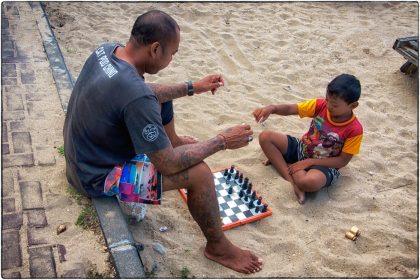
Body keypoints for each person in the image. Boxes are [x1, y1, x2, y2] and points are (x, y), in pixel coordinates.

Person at [63, 10, 263, 274]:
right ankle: (218, 247)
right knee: (200, 174)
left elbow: (146, 93)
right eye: (172, 53)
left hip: (82, 157)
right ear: (155, 49)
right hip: (98, 179)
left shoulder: (109, 51)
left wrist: (192, 87)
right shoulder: (136, 95)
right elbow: (167, 165)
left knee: (162, 99)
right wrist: (223, 140)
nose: (171, 59)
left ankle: (174, 142)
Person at [253, 74, 363, 204]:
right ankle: (291, 179)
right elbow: (291, 109)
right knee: (265, 137)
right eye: (327, 100)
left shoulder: (355, 129)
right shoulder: (320, 105)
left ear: (353, 105)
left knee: (309, 182)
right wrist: (272, 108)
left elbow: (342, 161)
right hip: (303, 148)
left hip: (324, 165)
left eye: (334, 105)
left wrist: (309, 162)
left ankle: (284, 164)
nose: (328, 106)